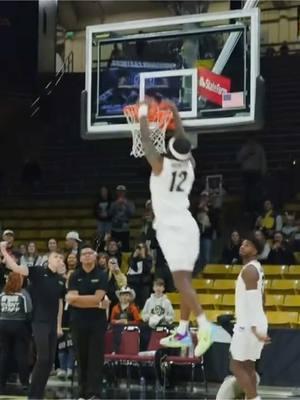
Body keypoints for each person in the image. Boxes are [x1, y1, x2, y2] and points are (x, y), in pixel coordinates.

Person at [139, 100, 212, 357]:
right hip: (188, 225)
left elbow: (146, 142)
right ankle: (182, 328)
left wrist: (143, 114)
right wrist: (176, 113)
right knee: (185, 283)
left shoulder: (161, 166)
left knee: (181, 282)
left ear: (169, 147)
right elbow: (182, 141)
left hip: (172, 228)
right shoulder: (190, 166)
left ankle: (204, 326)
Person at [0, 241, 65, 400]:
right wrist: (2, 249)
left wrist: (58, 326)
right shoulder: (37, 271)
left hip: (51, 324)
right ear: (48, 260)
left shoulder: (60, 280)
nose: (59, 259)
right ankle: (32, 395)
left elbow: (59, 303)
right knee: (42, 358)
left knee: (49, 361)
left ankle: (37, 394)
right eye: (56, 257)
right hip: (39, 322)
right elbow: (15, 267)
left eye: (61, 258)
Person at [228, 236, 270, 400]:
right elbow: (263, 298)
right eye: (242, 243)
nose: (242, 246)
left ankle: (253, 398)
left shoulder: (249, 270)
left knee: (236, 366)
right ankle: (250, 397)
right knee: (248, 367)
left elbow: (254, 302)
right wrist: (261, 324)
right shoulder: (257, 268)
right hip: (256, 322)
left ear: (256, 250)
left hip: (248, 324)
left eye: (248, 244)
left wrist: (254, 329)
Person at [67, 244, 108, 400]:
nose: (87, 256)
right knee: (81, 358)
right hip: (78, 322)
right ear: (80, 258)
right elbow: (73, 300)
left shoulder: (102, 275)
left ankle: (94, 393)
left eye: (90, 253)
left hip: (97, 323)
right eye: (84, 254)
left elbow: (98, 298)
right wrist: (95, 302)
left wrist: (77, 299)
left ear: (95, 256)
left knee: (96, 359)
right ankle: (82, 393)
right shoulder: (74, 275)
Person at [0, 272, 32, 394]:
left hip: (2, 324)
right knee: (21, 355)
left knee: (3, 354)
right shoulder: (23, 293)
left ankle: (1, 382)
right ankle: (24, 383)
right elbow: (28, 310)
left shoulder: (2, 294)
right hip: (19, 325)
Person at [237, 139, 267, 214]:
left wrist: (263, 171)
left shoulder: (259, 148)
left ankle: (257, 209)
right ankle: (248, 209)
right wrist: (246, 153)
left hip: (256, 173)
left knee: (256, 192)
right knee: (247, 192)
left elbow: (263, 160)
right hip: (246, 173)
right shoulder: (244, 148)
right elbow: (238, 159)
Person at [110, 286, 141, 352]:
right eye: (123, 295)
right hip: (117, 331)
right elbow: (111, 321)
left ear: (130, 297)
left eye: (127, 295)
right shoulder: (115, 308)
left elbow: (138, 322)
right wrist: (117, 321)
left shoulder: (133, 308)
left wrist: (128, 323)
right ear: (120, 297)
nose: (124, 297)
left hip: (130, 332)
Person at [127, 242, 153, 309]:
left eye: (142, 248)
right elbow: (133, 268)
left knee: (143, 304)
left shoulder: (148, 258)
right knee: (132, 304)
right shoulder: (132, 257)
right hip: (133, 283)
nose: (140, 249)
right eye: (138, 248)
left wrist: (144, 257)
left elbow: (147, 269)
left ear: (145, 249)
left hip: (144, 284)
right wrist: (134, 258)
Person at [109, 185, 135, 251]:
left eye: (122, 191)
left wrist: (125, 204)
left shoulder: (130, 202)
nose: (120, 193)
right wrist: (115, 204)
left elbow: (132, 213)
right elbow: (109, 213)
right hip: (115, 229)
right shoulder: (113, 203)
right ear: (116, 192)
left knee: (125, 247)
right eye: (119, 191)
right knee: (114, 247)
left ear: (125, 192)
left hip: (125, 229)